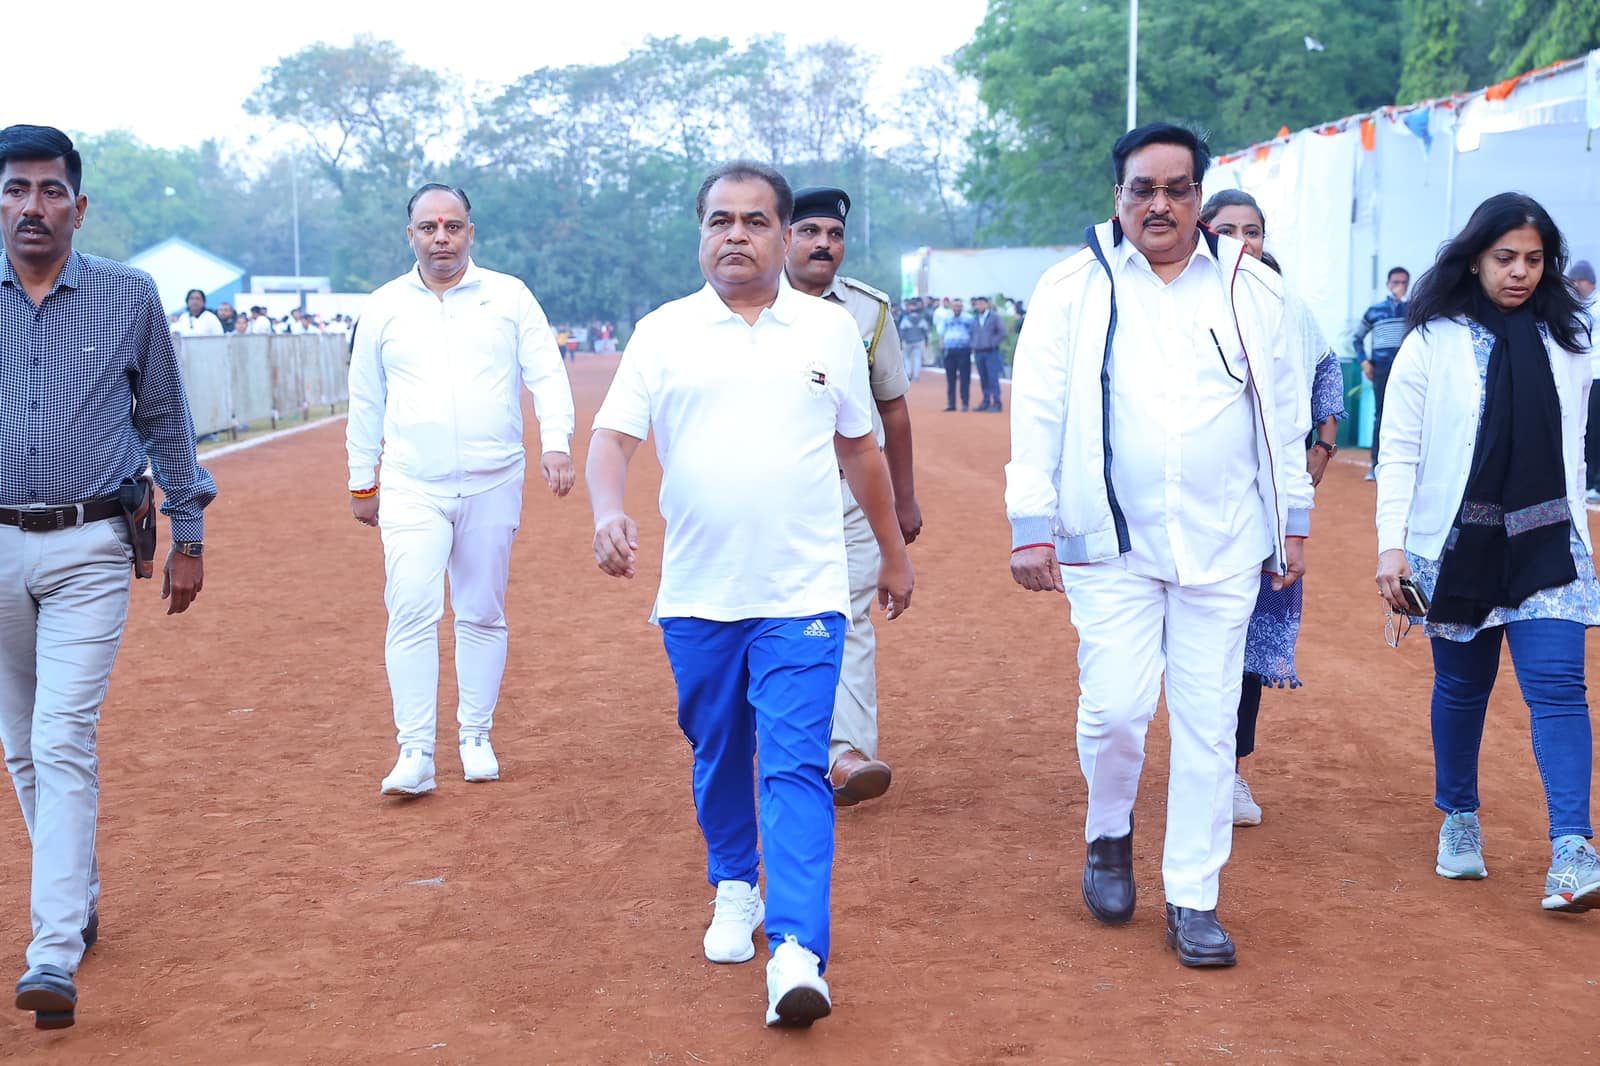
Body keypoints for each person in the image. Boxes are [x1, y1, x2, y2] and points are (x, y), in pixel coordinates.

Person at [586, 161, 914, 1028]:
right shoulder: (663, 332)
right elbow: (612, 440)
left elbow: (862, 450)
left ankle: (798, 951)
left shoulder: (829, 329)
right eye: (720, 220)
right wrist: (608, 511)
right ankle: (735, 883)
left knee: (797, 763)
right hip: (698, 592)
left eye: (756, 221)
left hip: (802, 591)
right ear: (700, 233)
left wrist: (892, 553)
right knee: (719, 747)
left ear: (782, 234)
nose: (736, 234)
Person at [1006, 123, 1313, 968]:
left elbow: (1284, 416)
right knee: (1116, 711)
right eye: (1143, 188)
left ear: (1199, 198)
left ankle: (1193, 896)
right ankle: (1109, 834)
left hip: (1224, 543)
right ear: (1118, 195)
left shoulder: (1252, 289)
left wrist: (1292, 521)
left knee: (1209, 724)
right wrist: (1030, 521)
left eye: (1178, 189)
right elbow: (1037, 410)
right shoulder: (1072, 287)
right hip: (1109, 544)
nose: (1160, 204)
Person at [0, 125, 216, 1029]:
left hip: (91, 544)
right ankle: (78, 893)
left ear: (79, 207)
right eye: (16, 189)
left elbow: (164, 414)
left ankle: (52, 951)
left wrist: (188, 528)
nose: (33, 207)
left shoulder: (128, 296)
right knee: (21, 746)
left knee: (61, 737)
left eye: (51, 190)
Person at [1375, 192, 1600, 913]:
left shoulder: (1569, 338)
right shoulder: (1432, 341)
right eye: (1506, 258)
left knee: (1559, 686)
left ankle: (1573, 849)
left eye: (1534, 260)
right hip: (1457, 543)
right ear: (1475, 258)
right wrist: (1391, 547)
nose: (1520, 272)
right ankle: (1460, 818)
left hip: (1548, 538)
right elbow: (1399, 451)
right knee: (1463, 687)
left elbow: (1577, 442)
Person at [346, 182, 576, 796]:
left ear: (470, 232)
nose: (441, 238)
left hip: (492, 479)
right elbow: (366, 397)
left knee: (481, 611)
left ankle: (476, 735)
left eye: (452, 226)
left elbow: (546, 372)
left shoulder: (509, 296)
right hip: (411, 484)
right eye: (429, 227)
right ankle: (415, 752)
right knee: (411, 608)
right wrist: (361, 478)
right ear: (411, 235)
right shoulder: (384, 306)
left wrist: (556, 441)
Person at [1201, 188, 1347, 827]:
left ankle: (1229, 772)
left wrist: (1324, 443)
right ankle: (1198, 762)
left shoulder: (1285, 303)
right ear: (1202, 231)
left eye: (1253, 230)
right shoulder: (1176, 299)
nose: (1242, 242)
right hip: (1187, 507)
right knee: (1190, 648)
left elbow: (1326, 369)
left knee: (1243, 646)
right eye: (1228, 229)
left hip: (1261, 507)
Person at [783, 185, 924, 805]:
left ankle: (846, 753)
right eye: (810, 232)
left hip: (850, 493)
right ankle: (781, 738)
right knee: (774, 617)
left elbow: (892, 409)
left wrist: (902, 499)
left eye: (835, 235)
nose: (824, 244)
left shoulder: (868, 311)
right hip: (772, 496)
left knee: (848, 617)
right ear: (783, 237)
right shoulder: (749, 303)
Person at [1354, 265, 1410, 479]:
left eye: (1404, 283)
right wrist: (1364, 363)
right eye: (1396, 282)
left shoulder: (1412, 309)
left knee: (1408, 415)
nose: (1400, 286)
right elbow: (1357, 338)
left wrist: (1405, 304)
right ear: (1388, 284)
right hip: (1382, 369)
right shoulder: (1375, 311)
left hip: (1407, 370)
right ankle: (1376, 465)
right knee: (1381, 415)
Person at [1570, 261, 1599, 503]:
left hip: (1598, 375)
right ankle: (1587, 481)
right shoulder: (1572, 307)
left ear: (1590, 282)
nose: (1575, 285)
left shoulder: (1597, 306)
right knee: (1584, 430)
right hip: (1582, 376)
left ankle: (1596, 483)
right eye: (1572, 280)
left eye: (1579, 280)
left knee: (1595, 431)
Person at [970, 293, 1007, 412]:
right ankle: (986, 401)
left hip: (991, 352)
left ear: (987, 304)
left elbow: (1002, 332)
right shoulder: (975, 319)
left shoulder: (994, 317)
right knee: (983, 377)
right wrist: (973, 343)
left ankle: (997, 402)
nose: (979, 306)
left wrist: (992, 343)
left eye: (982, 303)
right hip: (978, 352)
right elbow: (971, 333)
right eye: (977, 304)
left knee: (992, 377)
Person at [940, 297, 973, 411]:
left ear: (962, 307)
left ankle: (965, 403)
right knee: (950, 378)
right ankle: (951, 403)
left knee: (965, 378)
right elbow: (941, 333)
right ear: (952, 307)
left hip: (964, 350)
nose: (957, 308)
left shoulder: (969, 318)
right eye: (955, 306)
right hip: (950, 350)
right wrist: (942, 347)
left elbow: (973, 333)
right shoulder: (946, 318)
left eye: (959, 306)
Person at [895, 297, 930, 382]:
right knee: (917, 358)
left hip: (908, 341)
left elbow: (902, 331)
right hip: (919, 341)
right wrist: (926, 340)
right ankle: (916, 375)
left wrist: (900, 340)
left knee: (907, 358)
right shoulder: (921, 319)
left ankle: (908, 373)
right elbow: (925, 330)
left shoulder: (906, 319)